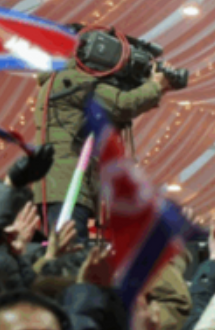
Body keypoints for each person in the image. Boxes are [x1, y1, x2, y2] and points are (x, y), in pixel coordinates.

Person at [33, 48, 173, 239]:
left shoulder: (57, 80)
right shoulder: (72, 79)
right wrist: (155, 86)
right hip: (67, 187)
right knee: (70, 250)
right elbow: (122, 104)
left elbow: (112, 111)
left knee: (65, 248)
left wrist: (153, 89)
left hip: (60, 186)